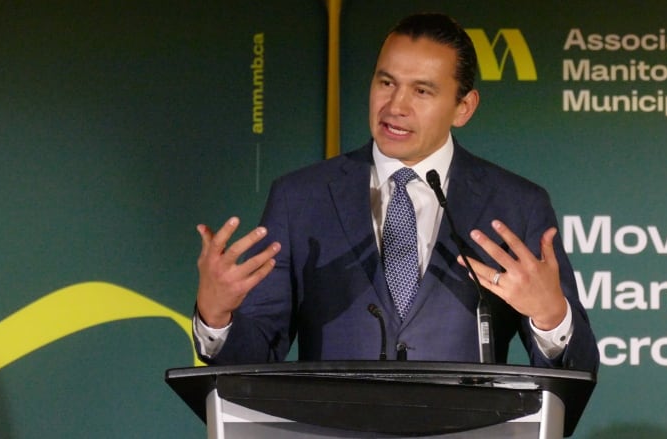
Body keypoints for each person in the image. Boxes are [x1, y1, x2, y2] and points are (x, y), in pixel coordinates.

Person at [192, 13, 599, 372]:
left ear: (464, 107)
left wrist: (551, 317)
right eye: (386, 82)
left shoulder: (517, 205)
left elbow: (576, 368)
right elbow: (250, 367)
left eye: (422, 91)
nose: (395, 106)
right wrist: (216, 316)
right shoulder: (300, 199)